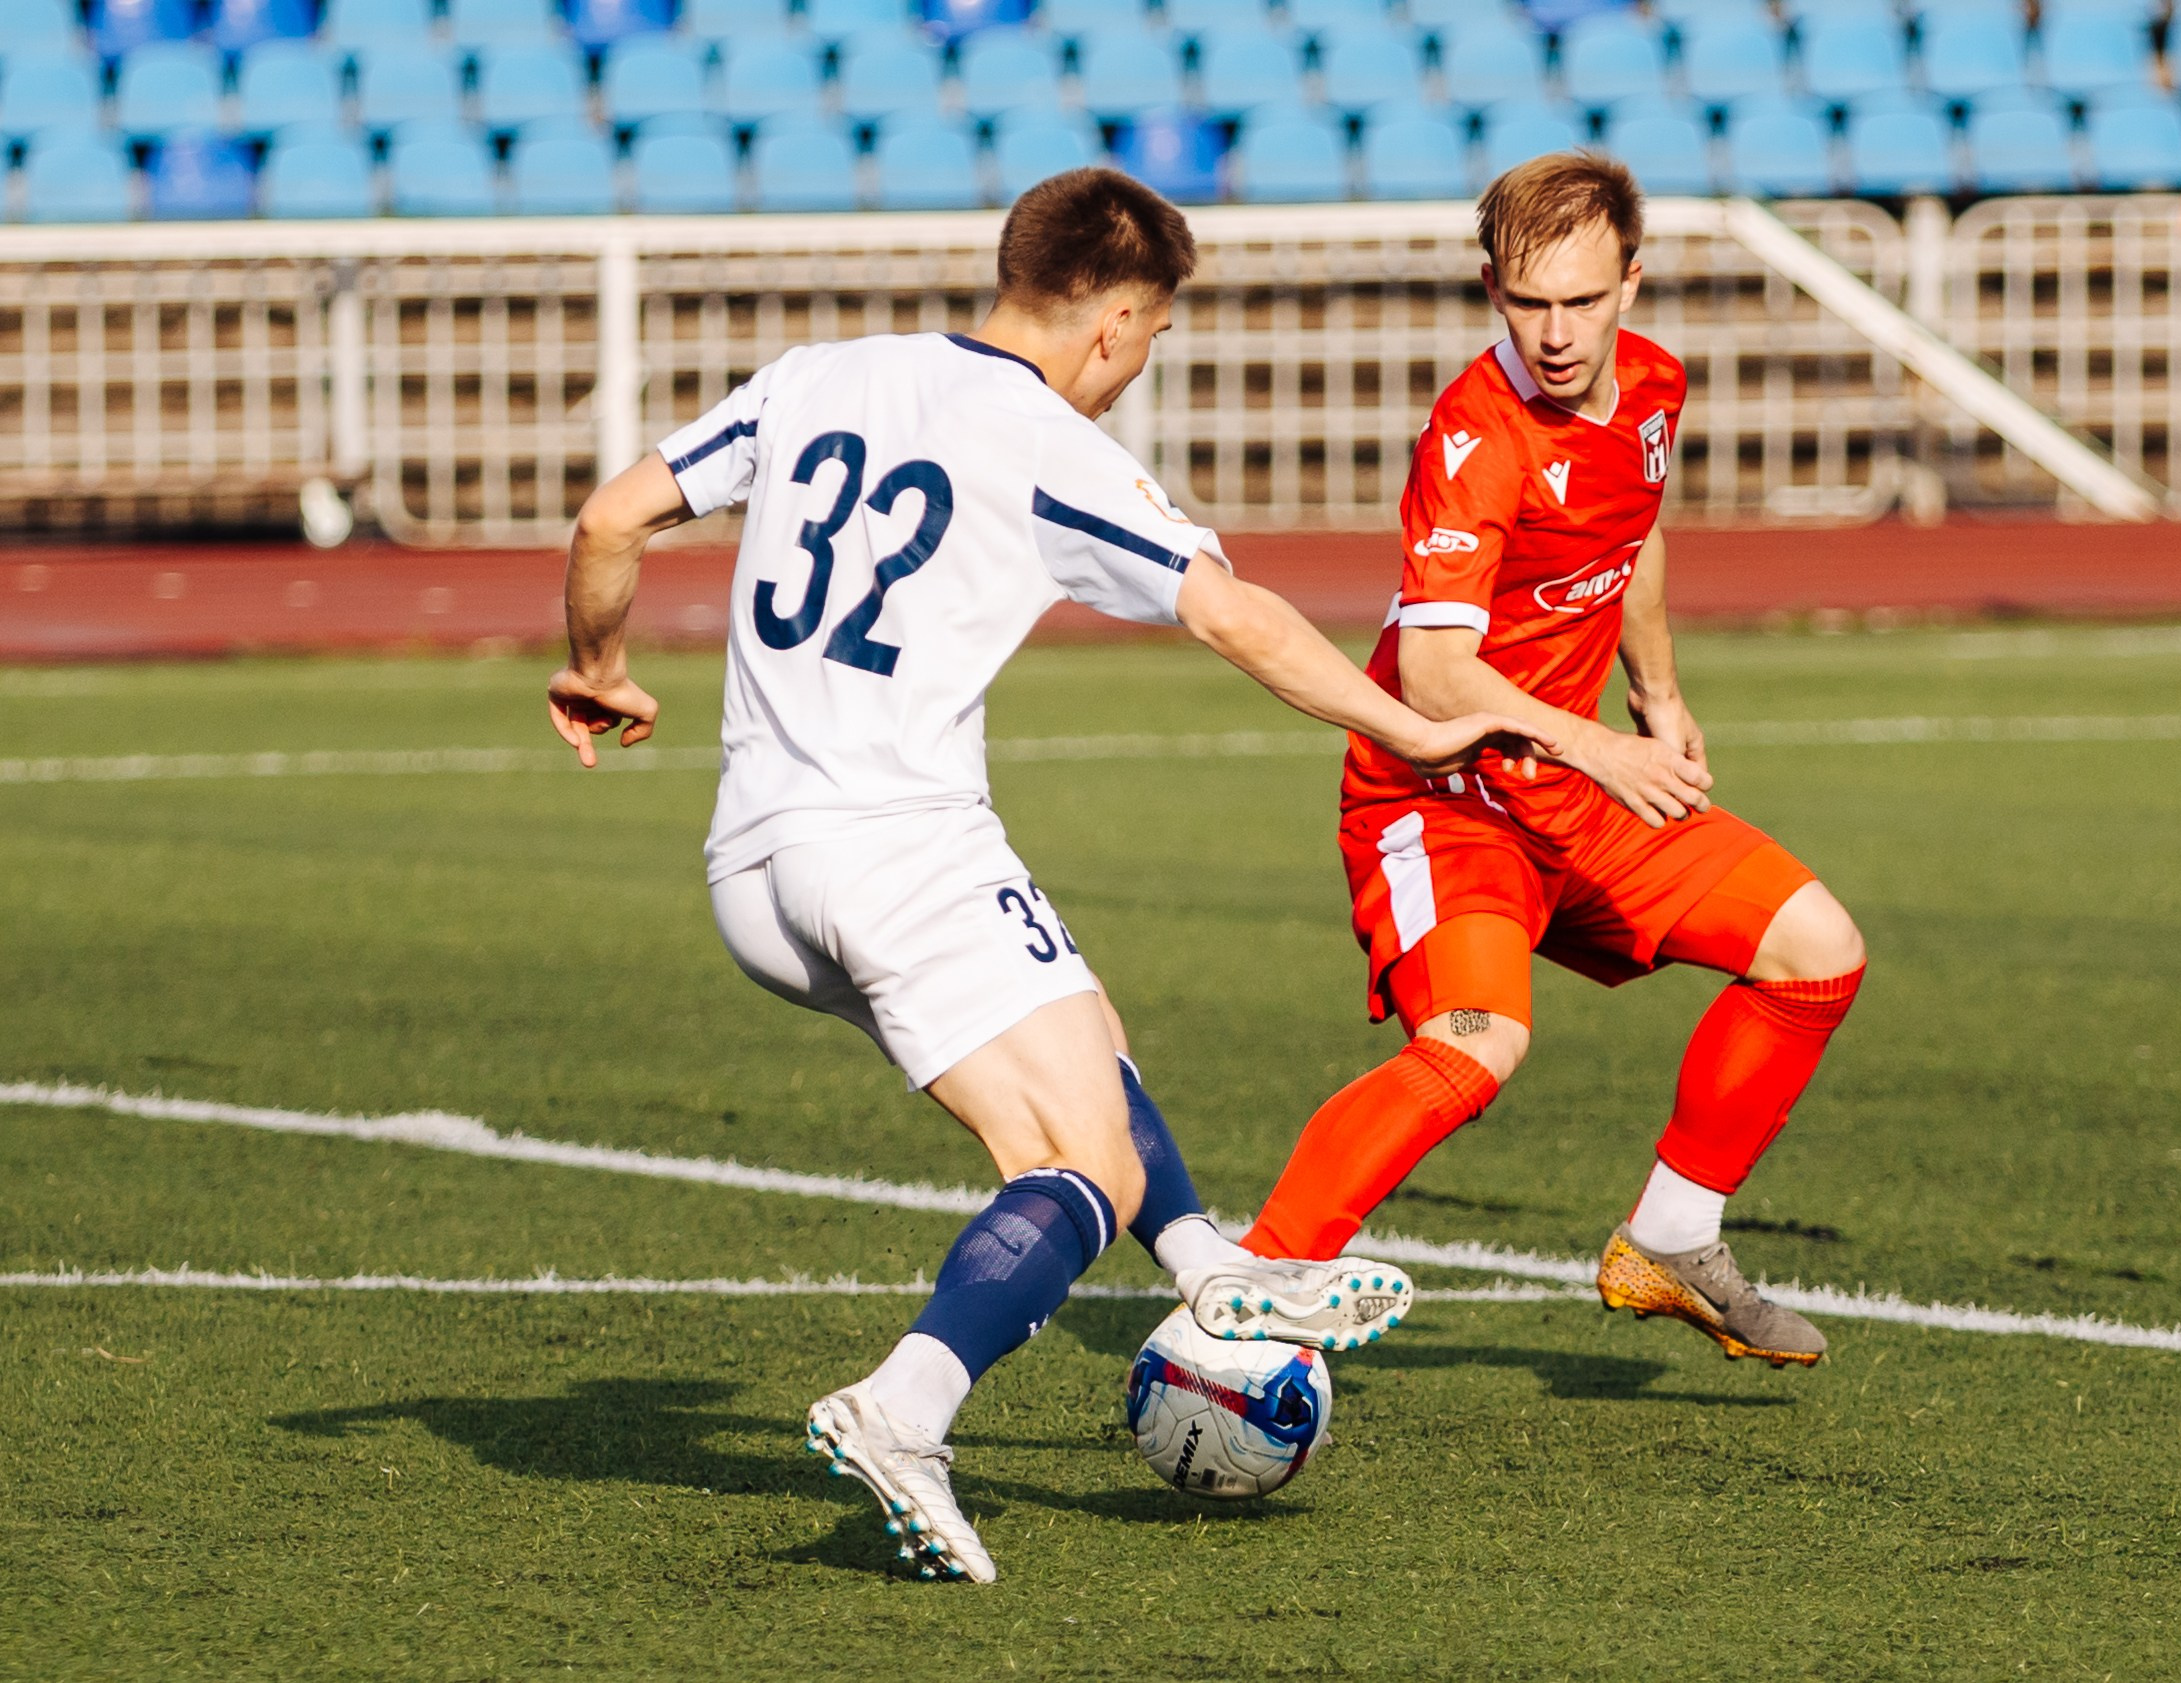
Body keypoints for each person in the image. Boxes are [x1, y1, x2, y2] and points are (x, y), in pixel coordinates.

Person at [546, 170, 1546, 1584]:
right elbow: (1239, 617)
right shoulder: (1042, 439)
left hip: (756, 864)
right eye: (1151, 340)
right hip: (898, 843)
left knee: (1089, 1033)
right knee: (1075, 1160)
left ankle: (1212, 1263)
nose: (1137, 369)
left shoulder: (819, 374)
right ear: (1118, 320)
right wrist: (1413, 722)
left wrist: (597, 669)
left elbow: (606, 522)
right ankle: (907, 1405)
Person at [1238, 153, 1869, 1371]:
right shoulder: (1476, 437)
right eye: (1528, 303)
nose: (1557, 332)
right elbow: (1430, 679)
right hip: (1439, 800)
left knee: (1816, 949)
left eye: (1582, 300)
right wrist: (1599, 743)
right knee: (1476, 1042)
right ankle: (1258, 1283)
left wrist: (1659, 694)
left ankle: (1672, 1240)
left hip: (1573, 789)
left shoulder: (1652, 387)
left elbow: (1629, 537)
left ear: (1631, 281)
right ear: (1491, 290)